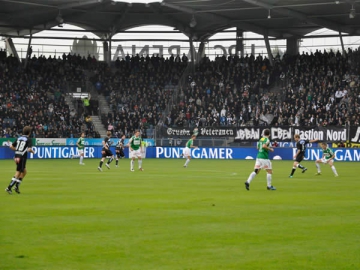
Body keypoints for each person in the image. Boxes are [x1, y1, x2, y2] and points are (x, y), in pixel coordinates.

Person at [5, 126, 35, 194]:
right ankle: (9, 187)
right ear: (29, 133)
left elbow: (11, 146)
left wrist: (17, 150)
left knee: (24, 171)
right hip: (22, 157)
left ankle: (17, 186)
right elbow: (29, 149)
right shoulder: (28, 139)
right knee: (18, 172)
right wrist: (33, 152)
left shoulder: (19, 138)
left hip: (16, 156)